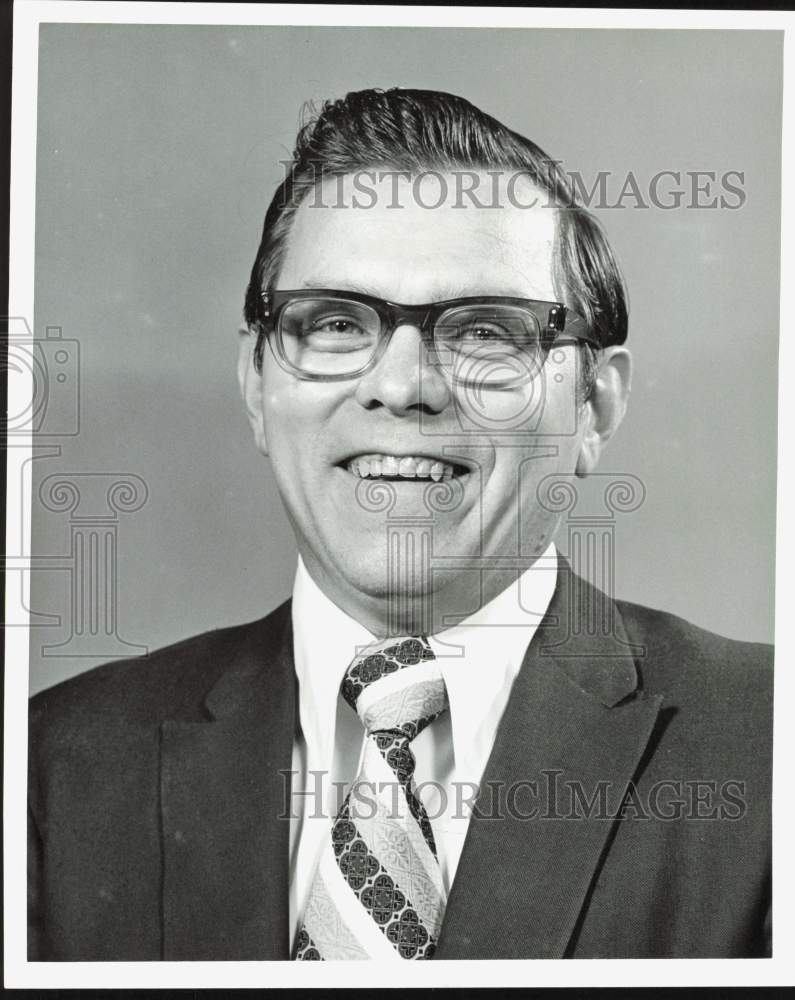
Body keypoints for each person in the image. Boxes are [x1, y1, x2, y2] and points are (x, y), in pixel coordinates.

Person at [28, 88, 772, 961]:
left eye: (486, 332)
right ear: (256, 386)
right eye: (337, 323)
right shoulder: (53, 766)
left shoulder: (769, 747)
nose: (403, 385)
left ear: (594, 407)